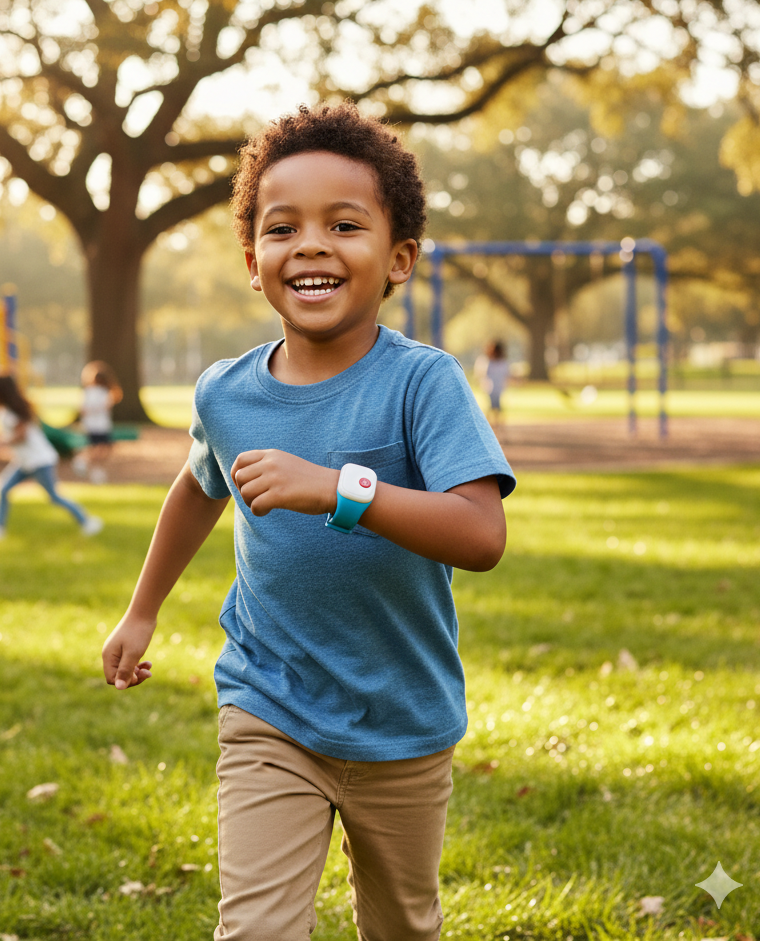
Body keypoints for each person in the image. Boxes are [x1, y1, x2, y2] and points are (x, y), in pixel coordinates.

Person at [102, 102, 514, 941]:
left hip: (401, 719)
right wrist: (142, 610)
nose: (313, 244)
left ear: (399, 258)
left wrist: (339, 490)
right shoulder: (226, 392)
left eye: (345, 224)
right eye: (283, 227)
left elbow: (480, 535)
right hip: (270, 704)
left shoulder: (422, 385)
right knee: (256, 931)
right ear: (254, 262)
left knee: (401, 926)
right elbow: (196, 488)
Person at [0, 371, 102, 539]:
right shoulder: (5, 410)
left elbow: (22, 434)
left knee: (54, 497)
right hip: (26, 461)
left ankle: (88, 522)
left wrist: (2, 442)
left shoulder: (12, 411)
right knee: (3, 489)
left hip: (40, 461)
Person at [73, 361, 121, 483]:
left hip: (90, 425)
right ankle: (83, 462)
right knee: (103, 449)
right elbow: (108, 405)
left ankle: (94, 471)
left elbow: (82, 410)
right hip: (101, 426)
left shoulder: (87, 392)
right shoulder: (105, 393)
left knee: (97, 448)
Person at [478, 340, 510, 428]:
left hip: (498, 388)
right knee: (491, 408)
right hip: (491, 388)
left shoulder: (501, 362)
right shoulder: (490, 362)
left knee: (497, 409)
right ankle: (489, 428)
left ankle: (498, 428)